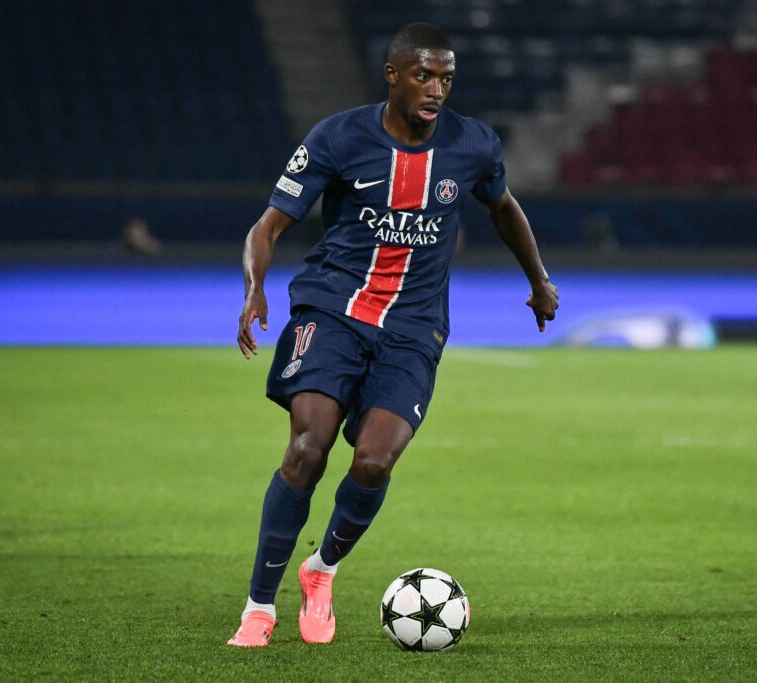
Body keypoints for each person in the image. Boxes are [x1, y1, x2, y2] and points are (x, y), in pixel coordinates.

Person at [228, 22, 559, 647]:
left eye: (447, 79)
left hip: (413, 328)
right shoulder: (339, 137)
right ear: (394, 76)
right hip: (333, 310)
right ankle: (258, 607)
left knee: (374, 461)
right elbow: (268, 225)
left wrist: (539, 280)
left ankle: (320, 570)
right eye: (424, 76)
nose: (437, 89)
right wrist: (254, 289)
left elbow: (505, 206)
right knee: (307, 449)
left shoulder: (473, 146)